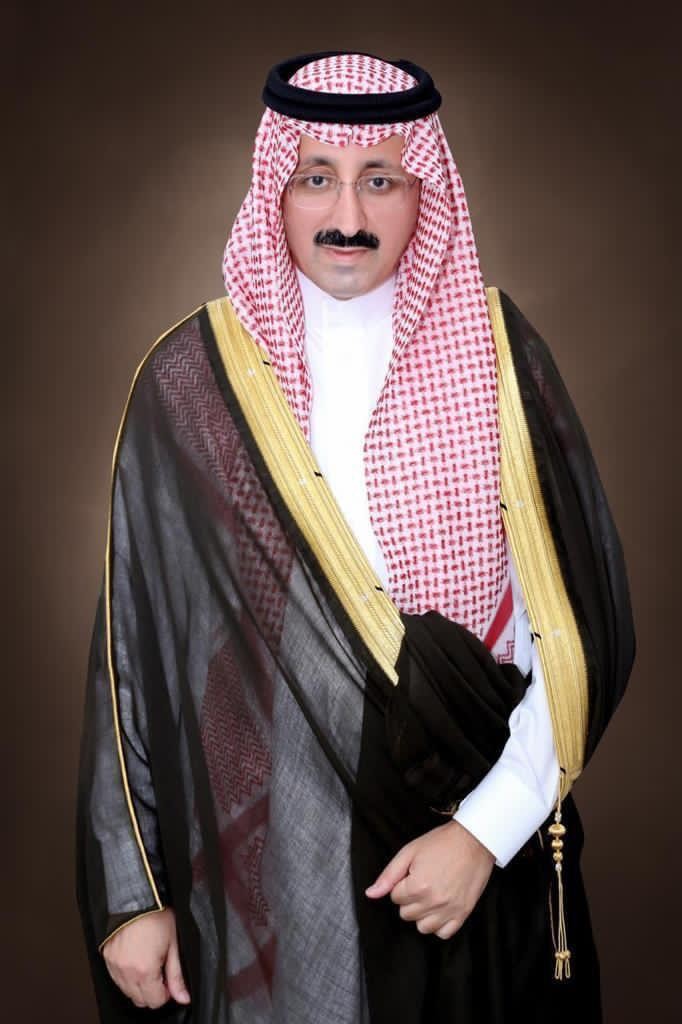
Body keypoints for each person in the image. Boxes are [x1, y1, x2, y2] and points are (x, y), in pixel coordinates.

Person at [76, 51, 635, 1023]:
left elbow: (577, 628)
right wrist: (136, 893)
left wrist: (486, 830)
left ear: (424, 194)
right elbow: (133, 650)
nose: (347, 215)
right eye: (316, 179)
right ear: (276, 192)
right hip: (279, 873)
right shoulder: (194, 379)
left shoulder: (501, 356)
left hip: (478, 858)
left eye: (380, 180)